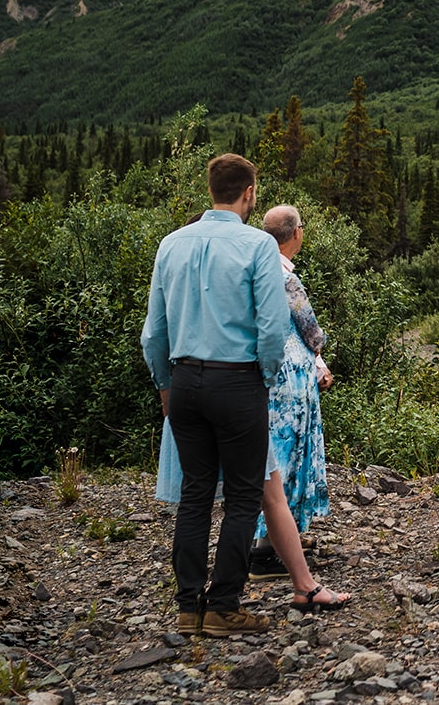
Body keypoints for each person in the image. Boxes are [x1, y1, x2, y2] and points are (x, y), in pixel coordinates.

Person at [142, 154, 289, 636]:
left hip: (183, 381)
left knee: (195, 495)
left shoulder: (171, 244)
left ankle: (188, 607)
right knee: (245, 494)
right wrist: (264, 379)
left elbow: (153, 333)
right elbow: (272, 327)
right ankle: (224, 605)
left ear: (211, 190)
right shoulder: (259, 246)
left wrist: (166, 385)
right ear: (249, 193)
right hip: (238, 379)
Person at [251, 204, 349, 612]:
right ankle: (265, 547)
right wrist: (321, 356)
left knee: (279, 455)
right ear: (294, 234)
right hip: (288, 377)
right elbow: (308, 329)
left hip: (271, 374)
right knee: (285, 457)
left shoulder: (254, 264)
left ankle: (282, 535)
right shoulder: (283, 273)